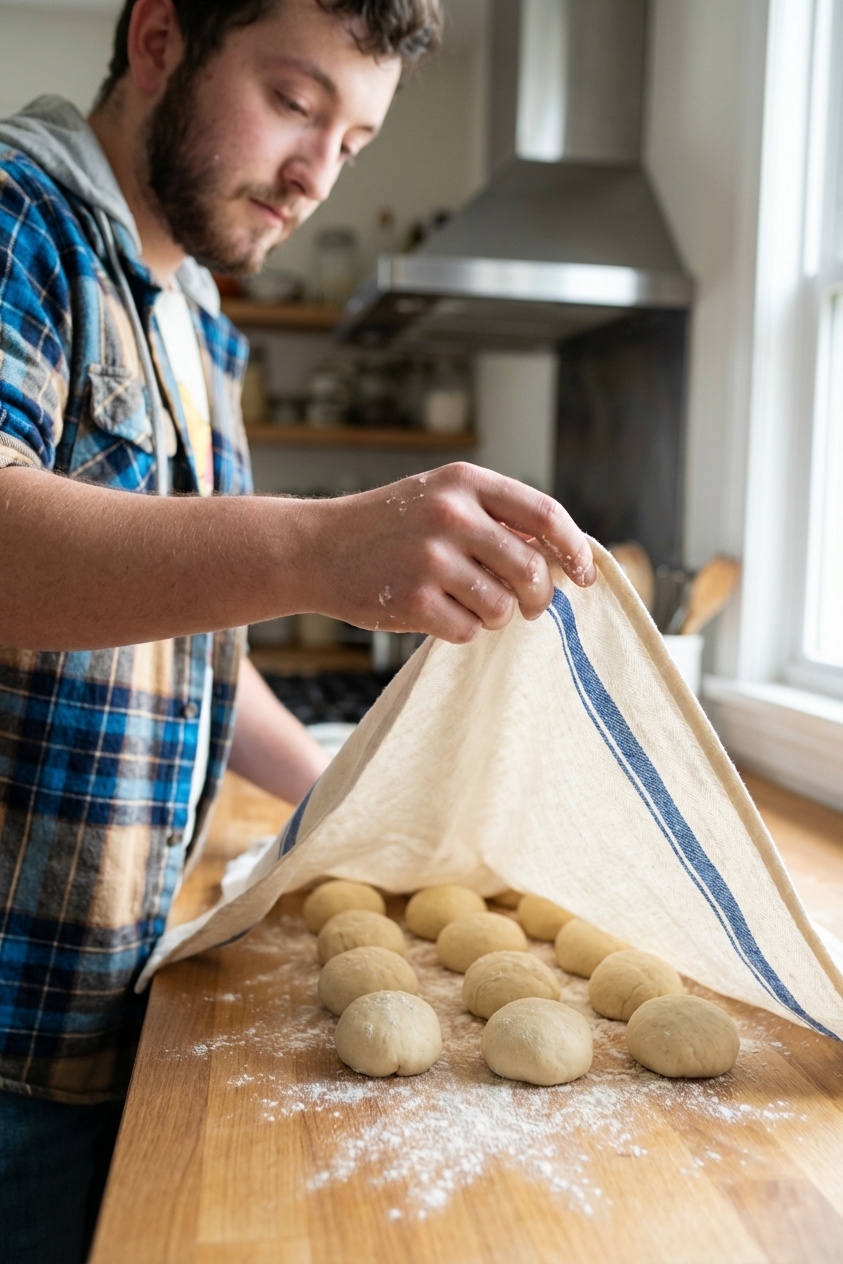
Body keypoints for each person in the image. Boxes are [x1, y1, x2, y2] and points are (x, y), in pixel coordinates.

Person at [0, 0, 596, 1258]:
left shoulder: (194, 318)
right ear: (159, 37)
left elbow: (176, 646)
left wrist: (341, 790)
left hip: (88, 1010)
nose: (316, 175)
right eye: (294, 101)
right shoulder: (19, 220)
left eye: (357, 141)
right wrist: (322, 545)